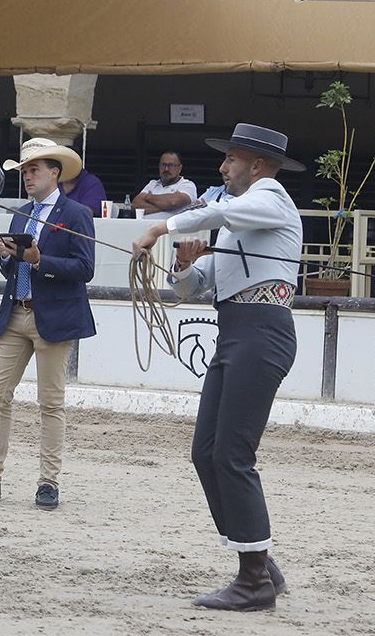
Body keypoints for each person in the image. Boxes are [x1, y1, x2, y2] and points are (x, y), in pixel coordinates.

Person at [130, 123, 305, 611]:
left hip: (261, 333)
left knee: (231, 454)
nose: (223, 167)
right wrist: (185, 265)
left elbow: (223, 211)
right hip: (235, 333)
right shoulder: (238, 217)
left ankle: (253, 580)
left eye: (231, 159)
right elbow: (196, 285)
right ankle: (260, 564)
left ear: (257, 165)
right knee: (206, 452)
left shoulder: (271, 198)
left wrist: (162, 226)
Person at [0, 138, 96, 509]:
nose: (27, 176)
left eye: (34, 169)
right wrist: (6, 257)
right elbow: (13, 270)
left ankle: (48, 481)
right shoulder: (21, 214)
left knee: (51, 402)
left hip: (52, 316)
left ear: (54, 172)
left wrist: (39, 260)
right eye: (25, 170)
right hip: (16, 312)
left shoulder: (76, 214)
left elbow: (85, 269)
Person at [132, 150, 197, 219]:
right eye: (163, 165)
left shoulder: (187, 185)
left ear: (179, 168)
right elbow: (135, 206)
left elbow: (173, 202)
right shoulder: (152, 184)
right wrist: (168, 206)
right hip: (145, 225)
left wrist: (149, 197)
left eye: (171, 165)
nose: (166, 169)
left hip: (170, 226)